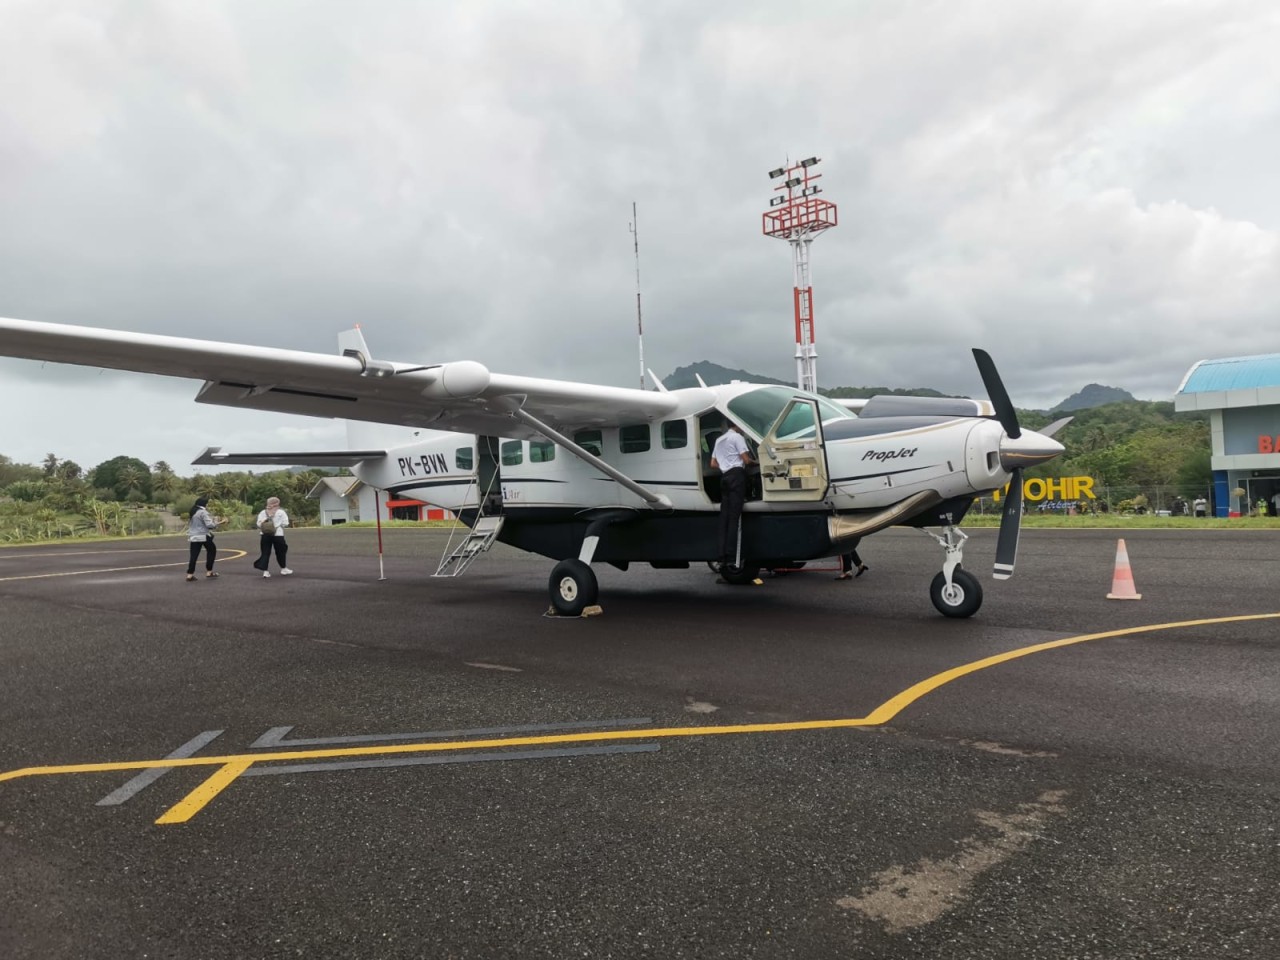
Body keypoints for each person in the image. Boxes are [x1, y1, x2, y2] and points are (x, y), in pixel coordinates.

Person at [710, 422, 753, 571]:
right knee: (735, 517)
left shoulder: (719, 440)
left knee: (725, 518)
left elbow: (713, 463)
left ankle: (721, 556)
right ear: (737, 424)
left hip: (725, 477)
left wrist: (725, 465)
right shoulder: (737, 438)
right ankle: (731, 557)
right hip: (737, 476)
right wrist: (755, 462)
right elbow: (746, 460)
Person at [254, 497, 292, 578]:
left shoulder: (263, 512)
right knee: (281, 551)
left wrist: (267, 519)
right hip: (278, 535)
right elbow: (285, 523)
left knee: (265, 552)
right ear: (277, 503)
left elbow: (258, 524)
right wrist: (278, 524)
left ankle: (265, 571)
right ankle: (283, 568)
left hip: (265, 535)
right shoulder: (281, 512)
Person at [185, 496, 221, 581]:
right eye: (207, 503)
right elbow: (210, 525)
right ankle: (209, 571)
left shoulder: (193, 511)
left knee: (194, 555)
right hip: (203, 535)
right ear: (204, 504)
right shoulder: (203, 512)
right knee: (212, 550)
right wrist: (218, 523)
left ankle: (189, 574)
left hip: (193, 536)